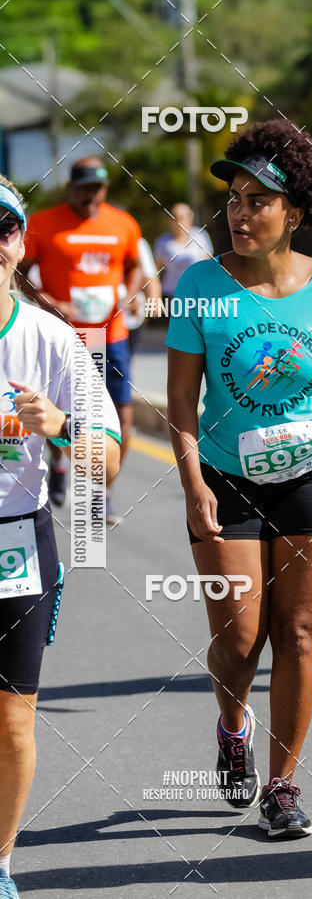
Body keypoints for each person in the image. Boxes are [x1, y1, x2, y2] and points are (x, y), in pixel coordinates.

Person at [166, 120, 312, 839]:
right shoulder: (201, 284)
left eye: (257, 201)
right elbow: (179, 400)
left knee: (299, 634)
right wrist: (193, 485)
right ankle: (232, 725)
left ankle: (282, 786)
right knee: (240, 641)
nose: (240, 213)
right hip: (227, 478)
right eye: (233, 199)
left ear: (293, 213)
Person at [0, 175, 121, 899]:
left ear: (19, 244)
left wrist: (65, 428)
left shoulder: (48, 338)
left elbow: (107, 460)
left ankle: (0, 862)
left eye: (2, 228)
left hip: (16, 543)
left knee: (12, 721)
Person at [17, 157, 143, 522]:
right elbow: (20, 271)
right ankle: (58, 462)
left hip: (111, 335)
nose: (91, 194)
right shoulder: (43, 223)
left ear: (105, 189)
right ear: (71, 187)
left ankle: (103, 492)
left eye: (98, 187)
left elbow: (135, 267)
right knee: (59, 413)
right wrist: (46, 301)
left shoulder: (123, 224)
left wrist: (130, 295)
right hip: (64, 336)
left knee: (122, 417)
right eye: (84, 187)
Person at [154, 202, 212, 301]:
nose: (178, 221)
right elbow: (155, 271)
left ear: (190, 218)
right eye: (174, 217)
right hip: (170, 296)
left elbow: (207, 265)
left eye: (182, 217)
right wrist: (155, 297)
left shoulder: (200, 236)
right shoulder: (163, 241)